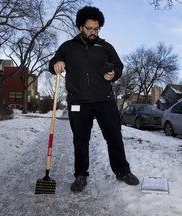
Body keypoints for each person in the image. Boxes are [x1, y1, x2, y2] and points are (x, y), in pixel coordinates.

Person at [49, 6, 139, 192]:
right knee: (80, 140)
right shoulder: (67, 47)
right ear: (81, 27)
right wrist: (57, 63)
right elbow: (53, 64)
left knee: (114, 137)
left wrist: (113, 74)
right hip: (78, 101)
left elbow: (119, 66)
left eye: (96, 29)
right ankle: (81, 175)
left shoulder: (105, 47)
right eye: (89, 28)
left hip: (104, 100)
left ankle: (122, 171)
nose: (93, 32)